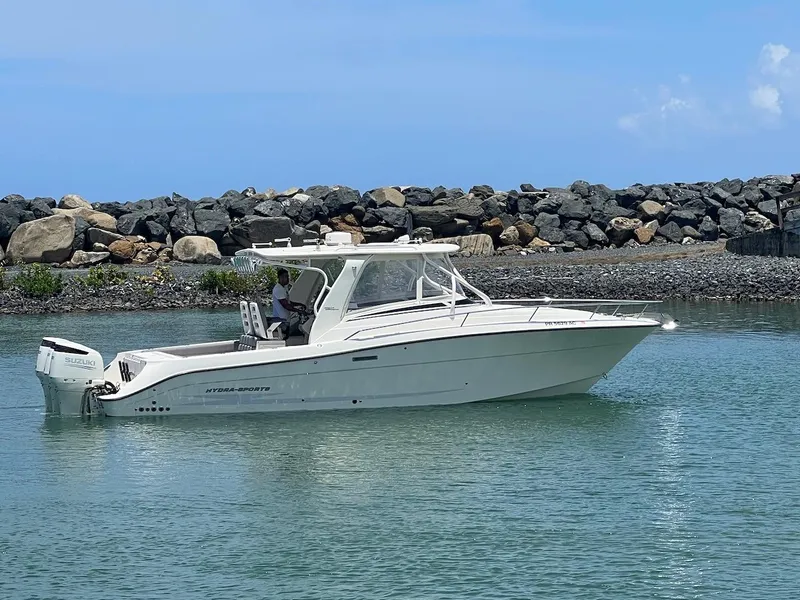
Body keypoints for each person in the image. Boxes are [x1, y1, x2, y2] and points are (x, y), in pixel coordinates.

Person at [272, 268, 305, 335]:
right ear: (280, 278)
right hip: (281, 321)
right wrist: (299, 311)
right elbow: (286, 306)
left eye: (287, 276)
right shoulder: (278, 289)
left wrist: (299, 304)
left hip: (285, 320)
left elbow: (288, 302)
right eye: (286, 276)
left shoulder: (283, 288)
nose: (288, 278)